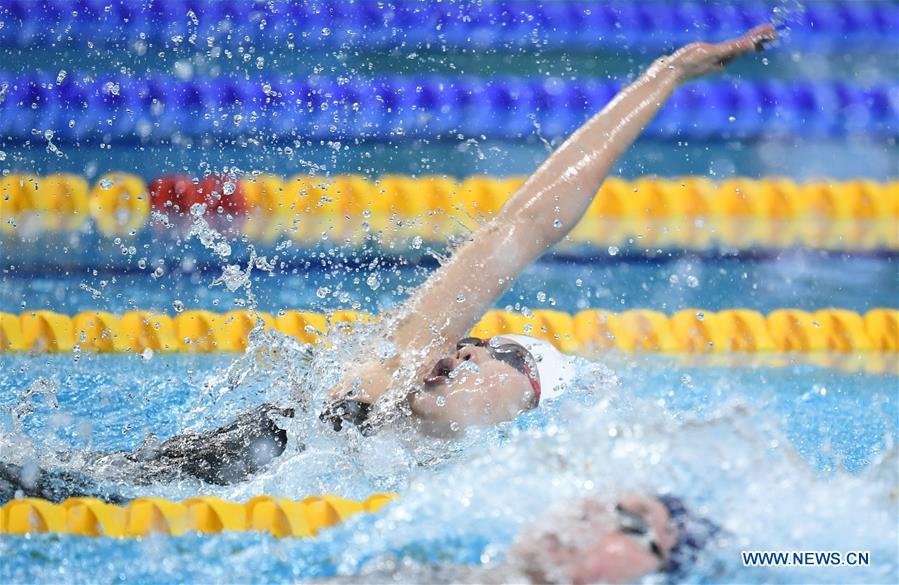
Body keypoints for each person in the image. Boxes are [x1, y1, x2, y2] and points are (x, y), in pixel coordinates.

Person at [1, 24, 777, 500]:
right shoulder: (387, 373)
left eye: (501, 357)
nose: (470, 347)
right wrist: (663, 76)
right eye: (478, 339)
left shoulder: (456, 489)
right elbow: (529, 220)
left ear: (520, 416)